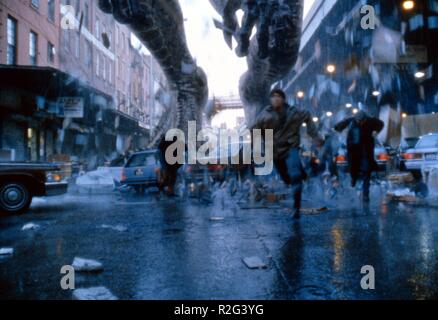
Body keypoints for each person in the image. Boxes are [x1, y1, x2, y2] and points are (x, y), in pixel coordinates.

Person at [251, 88, 323, 219]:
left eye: (279, 96)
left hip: (291, 148)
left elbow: (307, 115)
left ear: (283, 99)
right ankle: (299, 176)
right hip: (275, 151)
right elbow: (254, 129)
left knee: (295, 176)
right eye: (273, 96)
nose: (276, 99)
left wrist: (315, 136)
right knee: (287, 178)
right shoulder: (265, 114)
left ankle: (296, 206)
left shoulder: (293, 112)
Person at [334, 111, 384, 202]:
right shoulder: (351, 121)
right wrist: (340, 126)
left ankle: (365, 194)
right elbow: (338, 127)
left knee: (367, 171)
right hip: (354, 151)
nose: (359, 122)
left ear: (365, 119)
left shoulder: (371, 121)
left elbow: (381, 124)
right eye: (358, 120)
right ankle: (353, 179)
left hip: (366, 151)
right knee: (353, 169)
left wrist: (376, 131)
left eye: (361, 121)